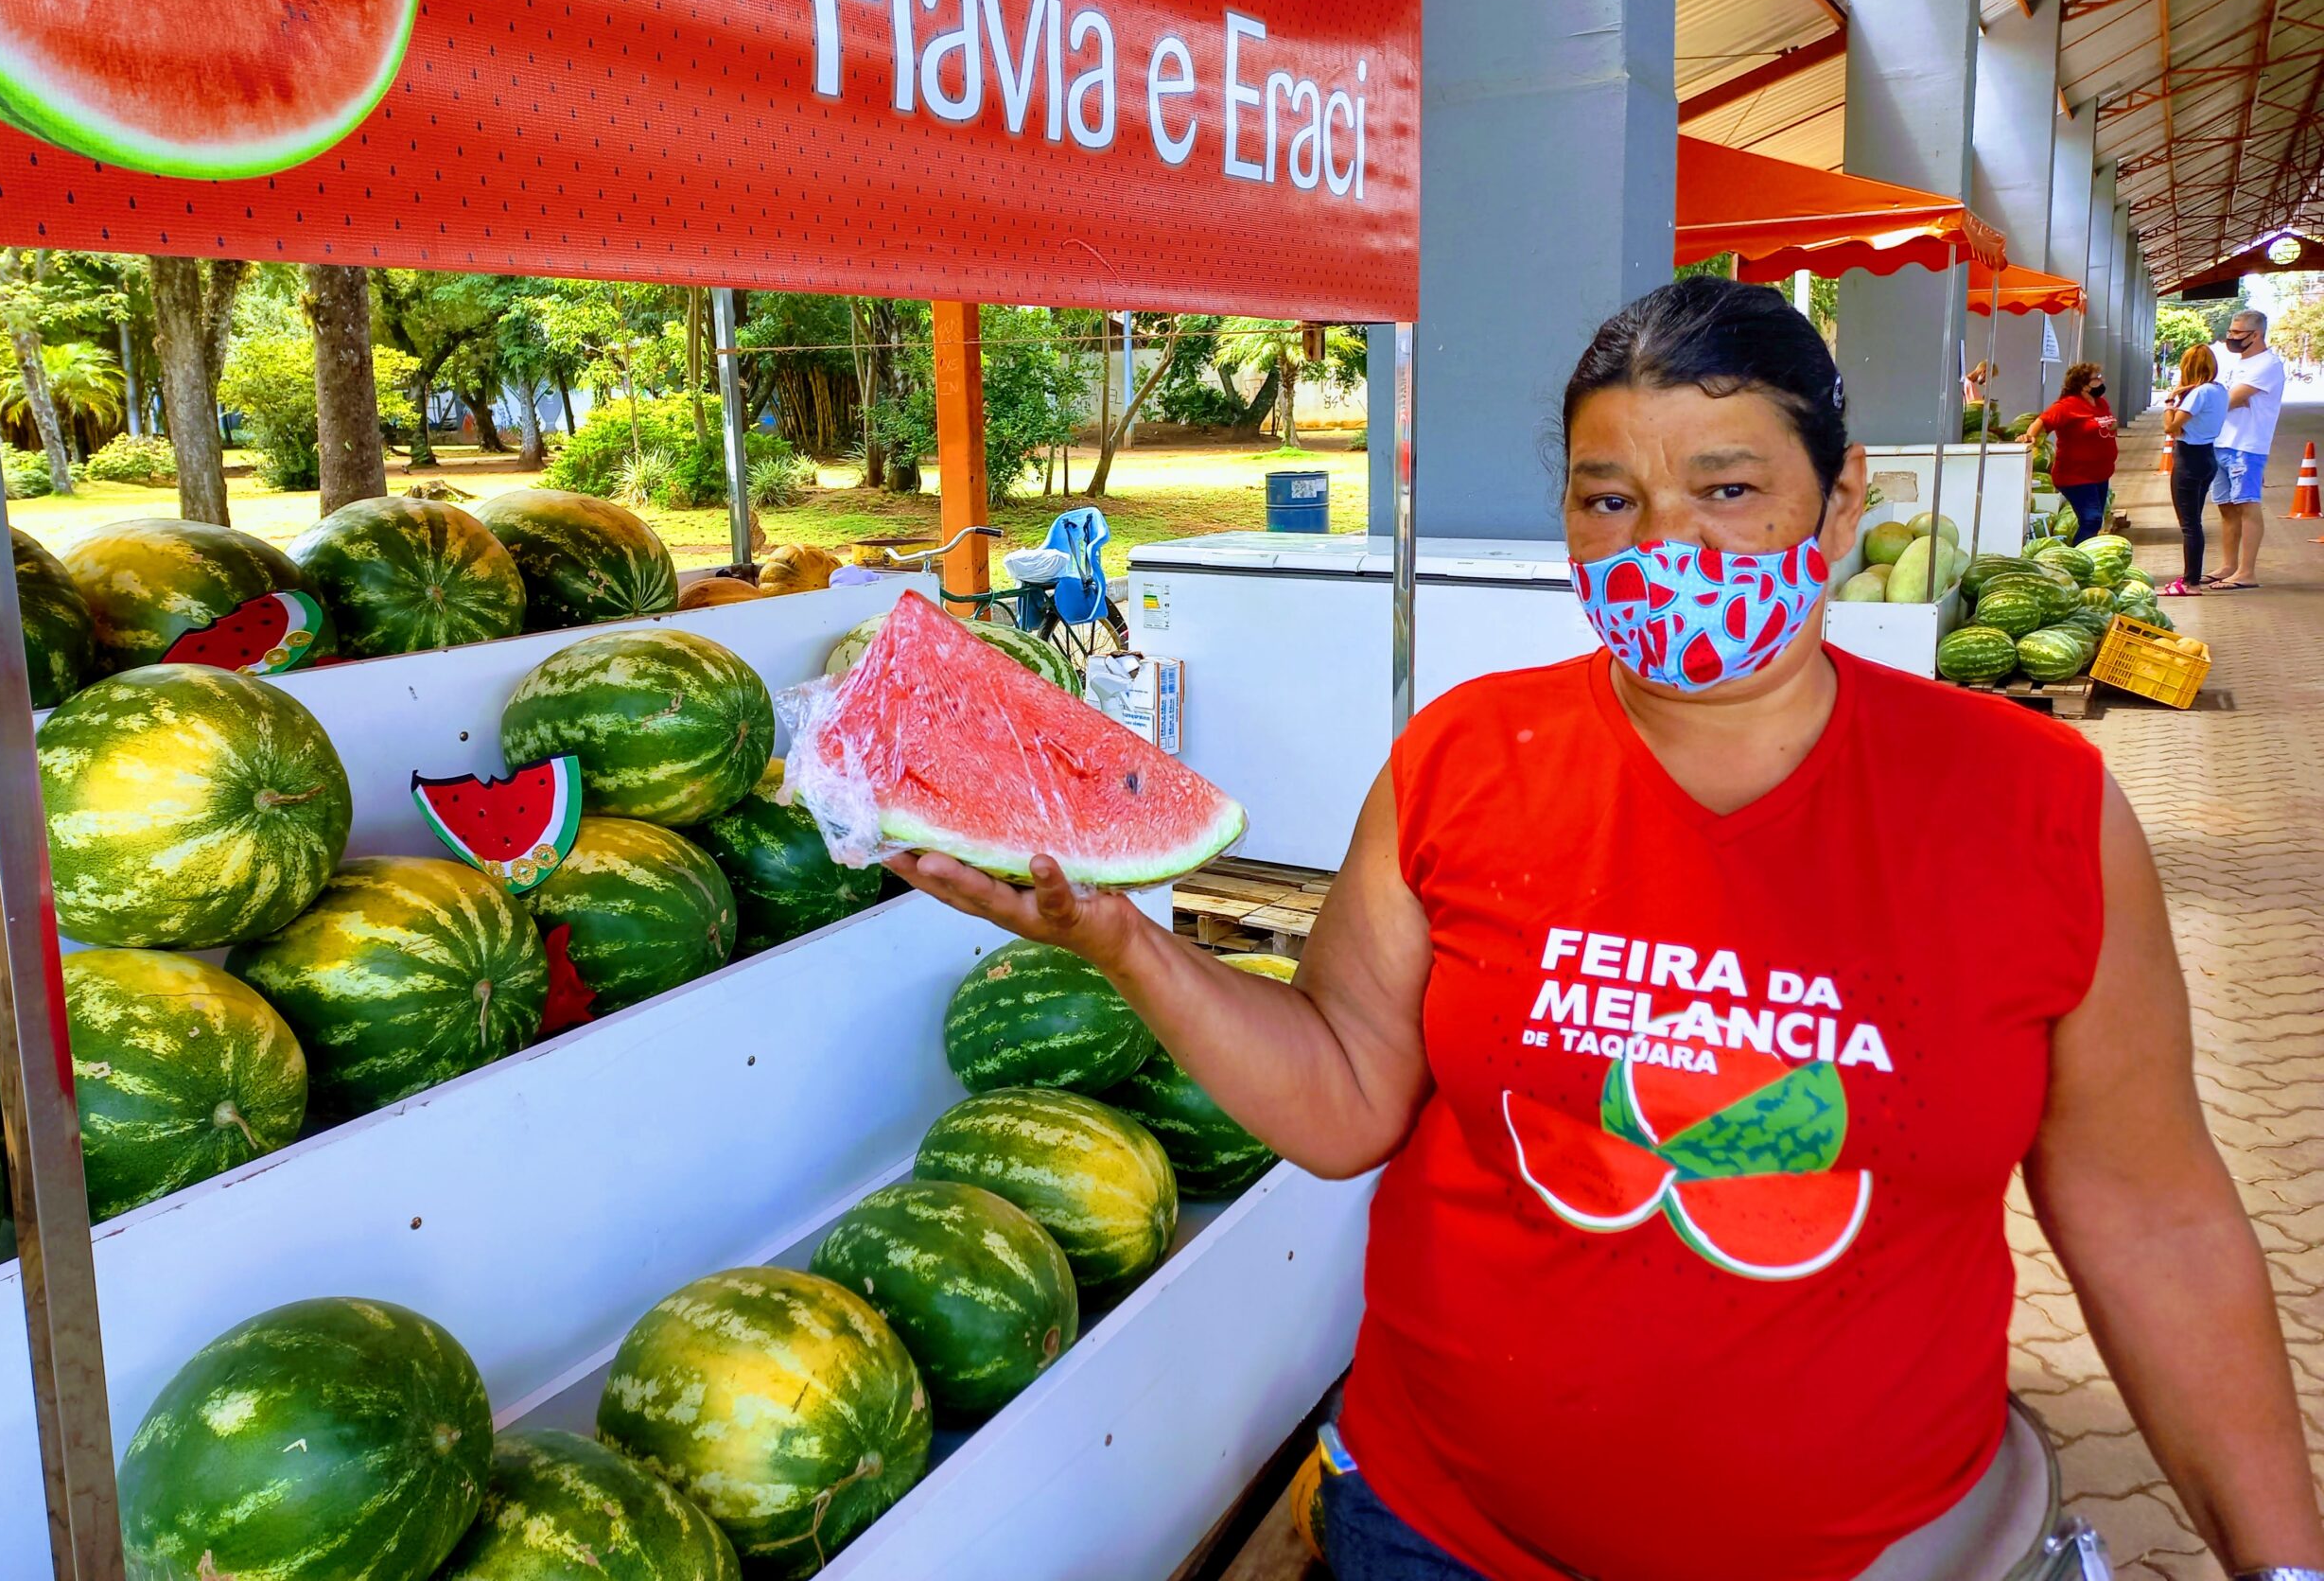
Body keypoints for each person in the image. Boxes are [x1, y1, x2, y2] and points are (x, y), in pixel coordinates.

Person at [895, 279, 2324, 1581]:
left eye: (1727, 489)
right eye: (1609, 500)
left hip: (1873, 1556)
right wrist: (1131, 946)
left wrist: (2281, 1566)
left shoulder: (2035, 807)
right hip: (1439, 1533)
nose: (1665, 548)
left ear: (1840, 507)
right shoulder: (1463, 759)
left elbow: (2154, 1219)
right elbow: (1341, 1097)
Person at [2209, 307, 2287, 590]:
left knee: (2247, 505)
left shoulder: (2267, 365)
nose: (2231, 337)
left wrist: (2221, 401)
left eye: (2237, 332)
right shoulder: (2235, 363)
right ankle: (2228, 565)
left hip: (2246, 446)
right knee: (2226, 508)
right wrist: (2223, 400)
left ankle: (2246, 572)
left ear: (2256, 335)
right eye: (2230, 331)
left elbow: (2226, 401)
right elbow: (2223, 398)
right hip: (2221, 442)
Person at [2019, 362, 2119, 538]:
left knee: (2095, 520)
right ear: (2083, 385)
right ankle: (2079, 552)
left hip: (2100, 474)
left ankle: (2085, 550)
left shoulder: (2100, 403)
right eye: (2096, 378)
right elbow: (2042, 421)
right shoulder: (2066, 406)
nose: (2102, 381)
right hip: (2076, 476)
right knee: (2091, 519)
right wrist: (2030, 436)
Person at [2162, 343, 2227, 596]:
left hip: (2189, 459)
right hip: (2207, 456)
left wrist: (2169, 403)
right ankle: (2191, 576)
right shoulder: (2219, 390)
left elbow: (2171, 427)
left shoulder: (2199, 393)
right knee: (2194, 522)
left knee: (2189, 525)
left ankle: (2191, 583)